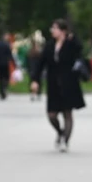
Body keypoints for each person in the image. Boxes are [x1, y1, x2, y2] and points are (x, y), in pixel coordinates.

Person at [30, 19, 86, 152]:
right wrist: (35, 80)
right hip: (53, 83)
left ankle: (65, 141)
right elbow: (41, 64)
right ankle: (60, 132)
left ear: (63, 31)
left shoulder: (71, 44)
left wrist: (73, 37)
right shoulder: (49, 45)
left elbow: (80, 49)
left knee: (67, 113)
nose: (52, 31)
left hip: (69, 82)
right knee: (52, 115)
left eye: (55, 28)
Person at [26, 31, 44, 101]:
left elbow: (27, 62)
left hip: (32, 69)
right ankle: (38, 93)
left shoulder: (30, 53)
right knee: (38, 82)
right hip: (37, 69)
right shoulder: (39, 53)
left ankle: (33, 93)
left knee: (32, 81)